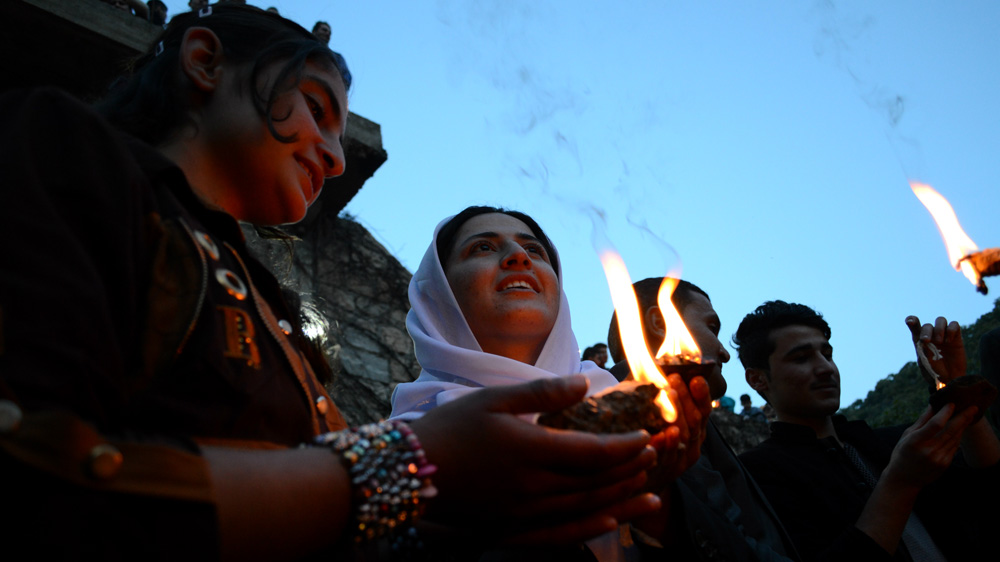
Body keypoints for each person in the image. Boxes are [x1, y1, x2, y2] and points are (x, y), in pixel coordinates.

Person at [0, 7, 660, 559]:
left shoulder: (272, 315)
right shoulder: (63, 151)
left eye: (342, 136)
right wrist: (406, 460)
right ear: (205, 61)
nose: (336, 155)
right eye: (316, 109)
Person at [390, 207, 711, 560]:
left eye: (535, 251)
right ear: (437, 293)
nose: (518, 257)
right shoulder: (407, 451)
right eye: (482, 248)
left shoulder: (644, 408)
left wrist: (657, 504)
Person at [735, 301, 1000, 561]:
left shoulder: (890, 443)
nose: (826, 368)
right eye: (801, 358)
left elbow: (985, 482)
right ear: (757, 379)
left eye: (827, 355)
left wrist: (953, 384)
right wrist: (900, 483)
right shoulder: (757, 474)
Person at [608, 277, 799, 561]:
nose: (724, 353)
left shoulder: (683, 407)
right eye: (712, 328)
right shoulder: (647, 409)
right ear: (661, 321)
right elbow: (721, 533)